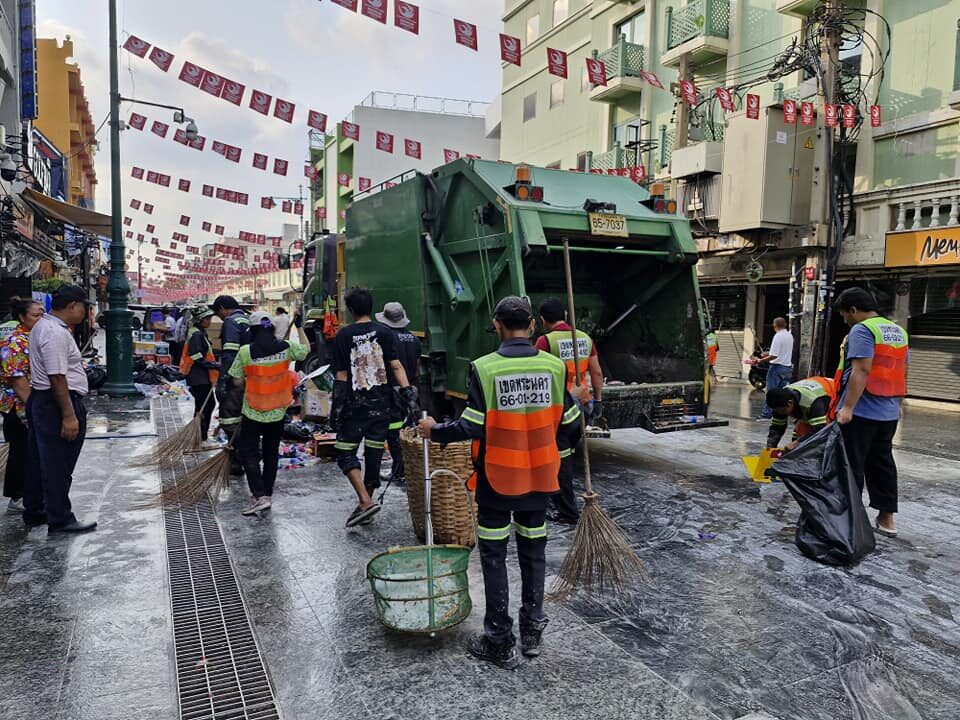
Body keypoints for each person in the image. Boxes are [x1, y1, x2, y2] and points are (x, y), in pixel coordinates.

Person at [419, 296, 582, 669]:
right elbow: (572, 424)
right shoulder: (555, 367)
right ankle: (531, 633)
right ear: (533, 326)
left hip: (497, 480)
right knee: (533, 553)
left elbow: (471, 425)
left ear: (496, 325)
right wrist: (553, 451)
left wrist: (434, 431)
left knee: (494, 557)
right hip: (541, 478)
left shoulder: (485, 368)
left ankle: (499, 640)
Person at [331, 287, 418, 527]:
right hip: (382, 406)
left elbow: (341, 375)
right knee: (373, 454)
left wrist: (336, 406)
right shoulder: (385, 333)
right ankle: (365, 502)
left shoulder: (343, 335)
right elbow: (397, 365)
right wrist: (408, 393)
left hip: (354, 407)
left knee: (345, 452)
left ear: (350, 310)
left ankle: (365, 501)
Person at [833, 287, 908, 538]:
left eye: (845, 315)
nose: (845, 320)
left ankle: (851, 519)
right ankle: (887, 521)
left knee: (851, 465)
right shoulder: (897, 331)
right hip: (888, 412)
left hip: (862, 412)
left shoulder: (862, 330)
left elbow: (861, 371)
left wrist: (847, 408)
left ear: (854, 310)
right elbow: (899, 370)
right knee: (882, 464)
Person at [22, 285, 96, 533]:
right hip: (55, 402)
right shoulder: (54, 332)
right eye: (84, 306)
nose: (86, 311)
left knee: (39, 459)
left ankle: (36, 510)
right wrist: (68, 415)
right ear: (73, 306)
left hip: (44, 400)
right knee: (58, 463)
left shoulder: (45, 327)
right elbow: (57, 377)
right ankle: (60, 517)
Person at [228, 311, 308, 515]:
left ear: (253, 331)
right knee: (271, 454)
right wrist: (299, 327)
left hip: (253, 411)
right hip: (278, 412)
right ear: (271, 328)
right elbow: (305, 350)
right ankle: (267, 495)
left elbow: (236, 380)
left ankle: (259, 495)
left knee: (250, 453)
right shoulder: (287, 348)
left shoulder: (245, 352)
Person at [535, 297, 601, 525]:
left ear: (543, 320)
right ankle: (560, 500)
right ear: (564, 314)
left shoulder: (545, 342)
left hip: (560, 409)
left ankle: (567, 510)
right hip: (582, 405)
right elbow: (597, 373)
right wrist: (598, 401)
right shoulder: (584, 338)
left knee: (559, 460)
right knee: (566, 456)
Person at [0, 297, 44, 512]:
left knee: (29, 449)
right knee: (21, 450)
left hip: (30, 403)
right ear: (21, 317)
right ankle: (17, 497)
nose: (41, 318)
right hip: (18, 406)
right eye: (36, 315)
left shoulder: (34, 337)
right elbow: (17, 380)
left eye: (43, 314)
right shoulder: (16, 343)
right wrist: (32, 408)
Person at [375, 301, 421, 486]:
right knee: (406, 429)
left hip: (392, 391)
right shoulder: (414, 339)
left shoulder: (386, 339)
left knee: (393, 431)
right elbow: (417, 369)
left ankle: (399, 470)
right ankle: (404, 467)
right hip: (409, 390)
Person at [212, 295, 249, 474]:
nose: (219, 318)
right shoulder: (247, 319)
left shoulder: (231, 322)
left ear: (222, 308)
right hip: (250, 379)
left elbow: (230, 355)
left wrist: (223, 380)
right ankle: (247, 456)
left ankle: (235, 462)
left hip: (236, 379)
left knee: (230, 418)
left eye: (218, 314)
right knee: (244, 420)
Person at [764, 376, 836, 452]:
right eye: (777, 411)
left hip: (833, 394)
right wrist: (770, 449)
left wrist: (797, 443)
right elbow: (776, 428)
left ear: (790, 403)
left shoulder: (812, 402)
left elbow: (821, 430)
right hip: (814, 392)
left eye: (783, 411)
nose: (781, 414)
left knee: (823, 440)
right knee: (799, 434)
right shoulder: (779, 400)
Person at [181, 305, 220, 443]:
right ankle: (200, 433)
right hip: (198, 376)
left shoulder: (199, 332)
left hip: (200, 375)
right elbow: (196, 356)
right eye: (207, 318)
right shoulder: (197, 334)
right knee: (207, 405)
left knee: (203, 405)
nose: (210, 321)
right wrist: (214, 365)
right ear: (200, 319)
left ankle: (199, 433)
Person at [755, 317, 794, 419]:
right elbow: (780, 352)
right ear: (785, 324)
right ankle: (779, 414)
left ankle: (766, 415)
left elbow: (774, 356)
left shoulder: (778, 336)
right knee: (782, 394)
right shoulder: (789, 335)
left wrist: (760, 360)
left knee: (771, 393)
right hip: (787, 368)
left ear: (774, 326)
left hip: (777, 368)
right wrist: (767, 354)